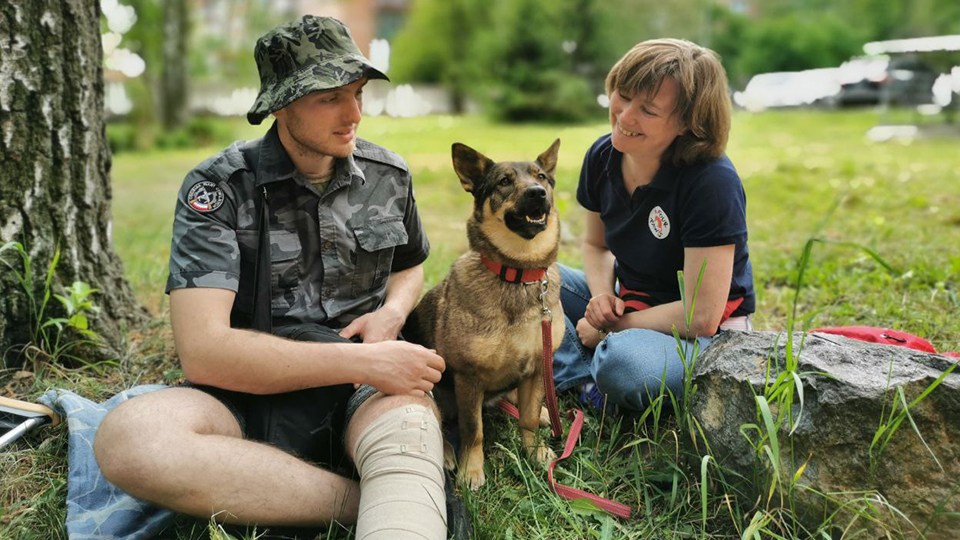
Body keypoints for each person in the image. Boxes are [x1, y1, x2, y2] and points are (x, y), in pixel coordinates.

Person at [94, 16, 459, 540]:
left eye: (357, 93)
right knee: (132, 440)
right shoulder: (220, 187)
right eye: (329, 98)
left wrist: (393, 313)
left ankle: (377, 497)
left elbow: (409, 263)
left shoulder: (388, 175)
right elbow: (206, 351)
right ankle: (363, 502)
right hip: (249, 391)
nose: (353, 113)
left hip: (367, 388)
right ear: (282, 104)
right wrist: (364, 360)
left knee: (411, 431)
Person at [552, 39, 755, 413]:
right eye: (622, 95)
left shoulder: (711, 182)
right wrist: (601, 299)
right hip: (630, 301)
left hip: (703, 334)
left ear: (687, 122)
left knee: (623, 364)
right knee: (530, 277)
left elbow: (701, 315)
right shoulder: (602, 155)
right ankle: (580, 378)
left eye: (648, 110)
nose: (625, 117)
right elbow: (597, 246)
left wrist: (610, 329)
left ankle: (593, 367)